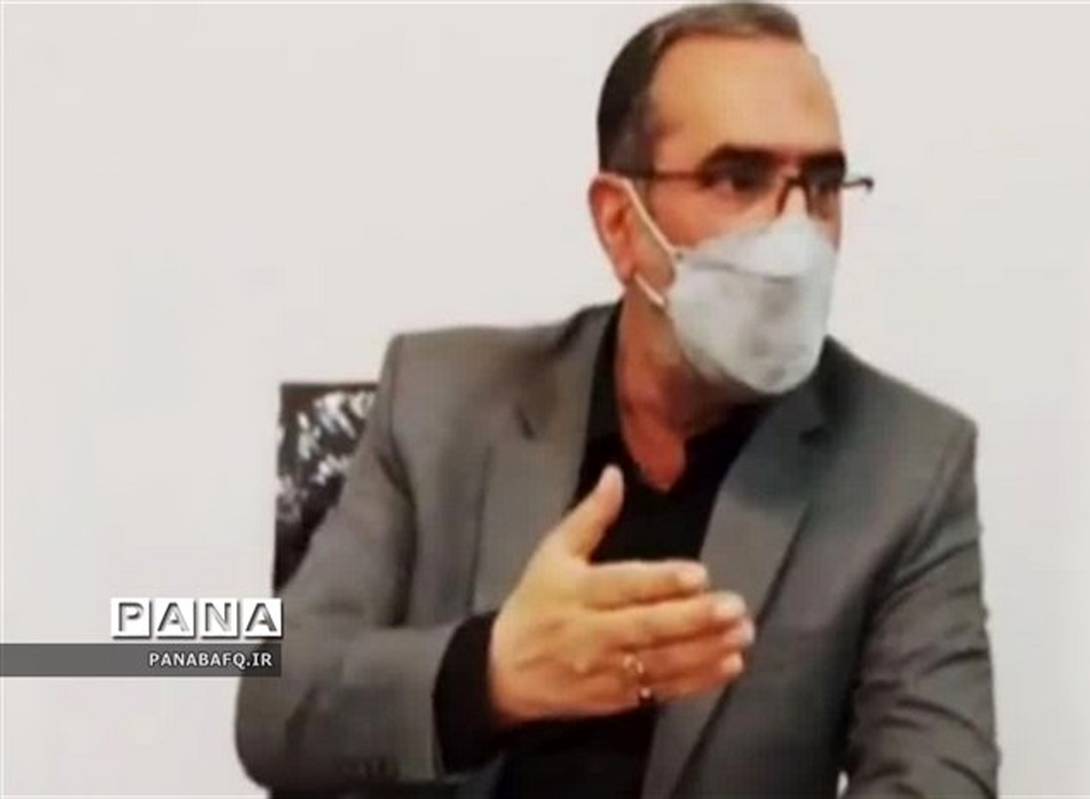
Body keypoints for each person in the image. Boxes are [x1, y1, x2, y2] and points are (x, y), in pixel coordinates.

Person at [236, 3, 1000, 796]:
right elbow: (271, 688)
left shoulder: (908, 464)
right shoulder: (437, 399)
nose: (795, 233)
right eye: (738, 179)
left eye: (822, 185)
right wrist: (491, 672)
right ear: (619, 223)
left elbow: (941, 780)